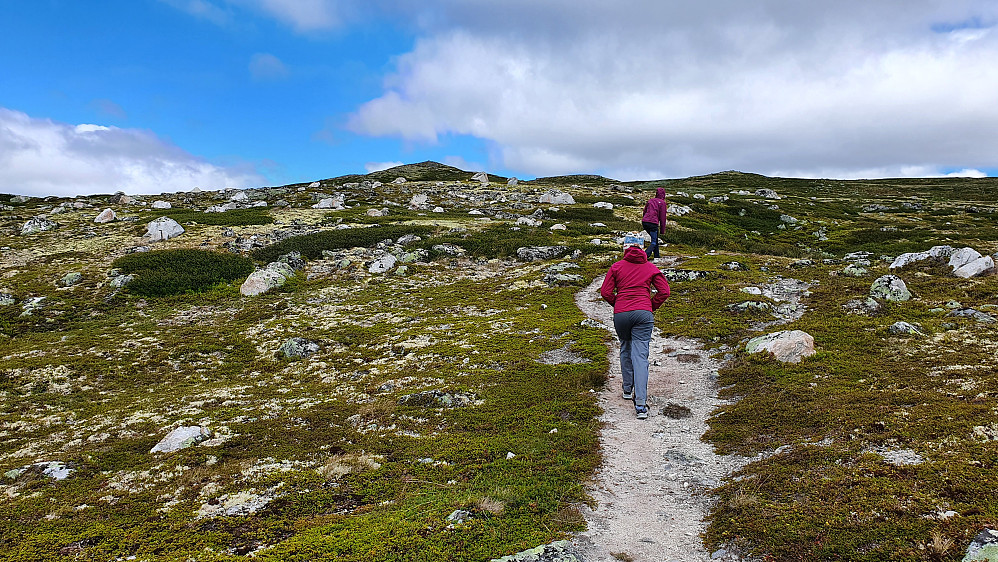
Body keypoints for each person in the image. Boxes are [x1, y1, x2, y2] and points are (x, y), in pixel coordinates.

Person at [599, 233, 671, 419]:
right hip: (643, 314)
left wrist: (619, 304)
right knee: (640, 356)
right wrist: (650, 306)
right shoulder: (650, 267)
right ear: (642, 248)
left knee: (625, 347)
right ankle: (640, 405)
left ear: (625, 248)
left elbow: (605, 292)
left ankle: (626, 389)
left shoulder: (616, 267)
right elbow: (665, 291)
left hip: (621, 314)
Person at [641, 188, 669, 260]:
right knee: (653, 242)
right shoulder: (662, 203)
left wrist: (645, 219)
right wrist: (662, 230)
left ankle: (657, 256)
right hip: (653, 223)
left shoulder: (650, 200)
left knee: (655, 239)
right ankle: (644, 256)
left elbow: (644, 211)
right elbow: (663, 217)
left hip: (645, 221)